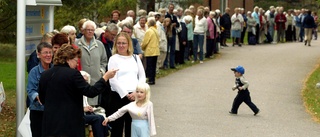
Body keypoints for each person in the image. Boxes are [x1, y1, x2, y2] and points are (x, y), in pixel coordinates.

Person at [38, 44, 118, 136]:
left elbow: (42, 99)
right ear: (68, 59)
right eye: (76, 60)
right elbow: (91, 92)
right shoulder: (73, 74)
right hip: (70, 123)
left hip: (50, 123)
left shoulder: (45, 74)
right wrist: (105, 77)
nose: (77, 64)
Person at [107, 32, 146, 137]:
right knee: (117, 128)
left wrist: (136, 92)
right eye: (118, 43)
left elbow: (142, 76)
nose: (121, 45)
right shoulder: (113, 59)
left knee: (132, 127)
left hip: (135, 97)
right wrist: (126, 94)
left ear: (128, 44)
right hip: (118, 97)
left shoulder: (135, 58)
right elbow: (113, 80)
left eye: (123, 43)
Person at [75, 20, 108, 106]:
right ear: (83, 31)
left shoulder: (100, 45)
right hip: (81, 80)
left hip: (95, 80)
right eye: (88, 29)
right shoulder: (76, 44)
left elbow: (104, 61)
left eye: (92, 30)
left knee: (94, 105)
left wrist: (101, 71)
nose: (90, 32)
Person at [26, 42, 53, 137]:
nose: (48, 55)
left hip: (53, 112)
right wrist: (38, 97)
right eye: (45, 53)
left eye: (50, 52)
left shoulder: (56, 70)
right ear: (38, 55)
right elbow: (30, 90)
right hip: (38, 112)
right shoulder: (34, 72)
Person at [141, 17, 160, 85]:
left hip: (150, 51)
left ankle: (150, 79)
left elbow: (145, 41)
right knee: (153, 66)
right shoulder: (156, 30)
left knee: (149, 66)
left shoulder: (149, 31)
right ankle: (153, 79)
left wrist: (142, 47)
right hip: (156, 50)